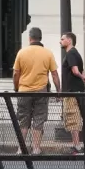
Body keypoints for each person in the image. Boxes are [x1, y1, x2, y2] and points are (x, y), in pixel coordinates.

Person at [13, 27, 60, 155]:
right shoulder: (47, 53)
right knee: (39, 119)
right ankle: (36, 148)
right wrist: (58, 91)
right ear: (40, 38)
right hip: (41, 91)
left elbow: (16, 74)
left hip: (24, 91)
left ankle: (20, 148)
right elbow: (55, 75)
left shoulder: (21, 53)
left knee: (23, 120)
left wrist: (16, 88)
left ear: (29, 38)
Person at [59, 32, 85, 154]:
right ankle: (77, 145)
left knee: (73, 118)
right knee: (75, 117)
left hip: (72, 92)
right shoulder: (76, 53)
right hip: (75, 90)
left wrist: (82, 77)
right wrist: (84, 77)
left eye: (62, 39)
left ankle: (77, 146)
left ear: (69, 41)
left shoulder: (71, 53)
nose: (60, 41)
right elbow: (81, 69)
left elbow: (75, 70)